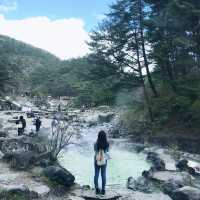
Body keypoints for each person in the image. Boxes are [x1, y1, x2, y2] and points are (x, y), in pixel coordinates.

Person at [94, 130, 110, 195]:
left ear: (98, 136)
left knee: (96, 174)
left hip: (96, 159)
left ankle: (97, 189)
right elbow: (107, 151)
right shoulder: (107, 143)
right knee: (103, 174)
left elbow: (95, 151)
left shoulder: (96, 143)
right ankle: (103, 190)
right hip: (104, 160)